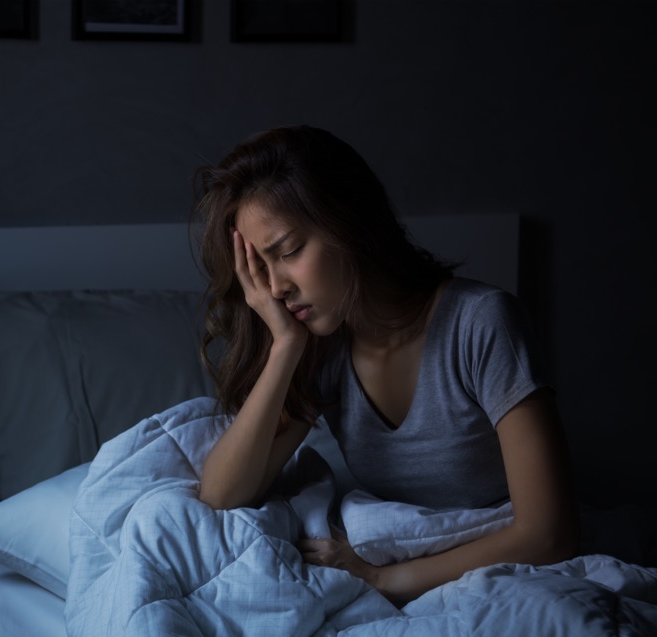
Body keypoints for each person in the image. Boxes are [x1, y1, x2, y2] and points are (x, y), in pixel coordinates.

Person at [193, 125, 579, 606]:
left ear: (351, 222)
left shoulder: (481, 323)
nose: (276, 288)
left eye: (288, 252)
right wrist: (285, 347)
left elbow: (551, 535)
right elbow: (221, 496)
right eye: (260, 271)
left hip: (507, 582)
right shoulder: (323, 349)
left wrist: (380, 580)